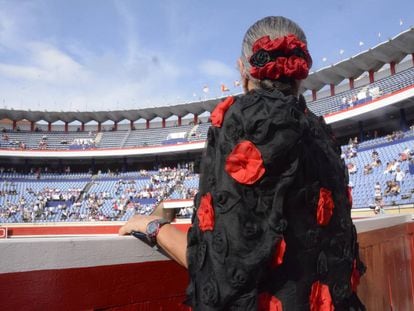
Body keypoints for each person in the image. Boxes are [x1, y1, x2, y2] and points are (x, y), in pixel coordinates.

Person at [119, 16, 366, 310]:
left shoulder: (240, 121)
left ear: (243, 69)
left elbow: (220, 268)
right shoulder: (320, 131)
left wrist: (154, 227)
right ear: (300, 72)